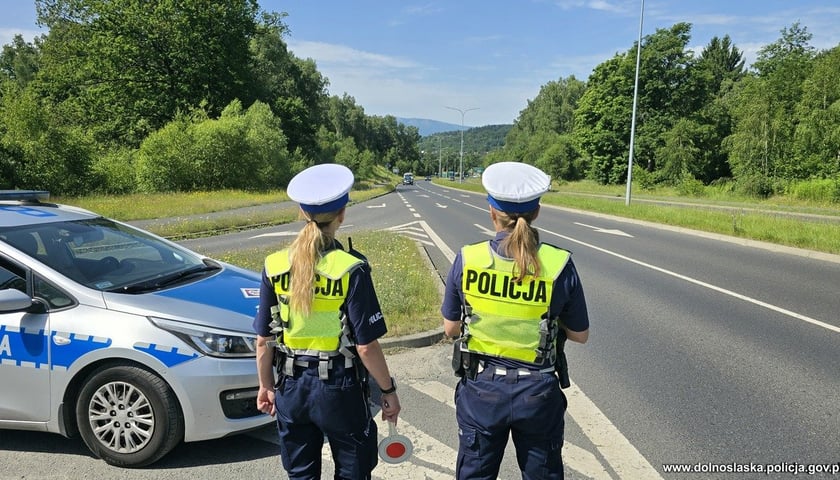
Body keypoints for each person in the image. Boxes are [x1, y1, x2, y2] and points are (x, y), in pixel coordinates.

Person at [440, 161, 590, 480]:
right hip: (538, 394)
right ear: (537, 211)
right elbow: (580, 334)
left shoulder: (468, 259)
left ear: (492, 211)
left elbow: (451, 328)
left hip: (481, 390)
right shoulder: (559, 264)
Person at [254, 163, 401, 480]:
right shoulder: (351, 268)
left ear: (301, 213)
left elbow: (264, 340)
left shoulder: (274, 265)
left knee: (301, 474)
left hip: (290, 386)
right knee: (353, 470)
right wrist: (388, 390)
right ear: (342, 214)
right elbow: (365, 346)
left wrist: (266, 386)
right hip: (340, 388)